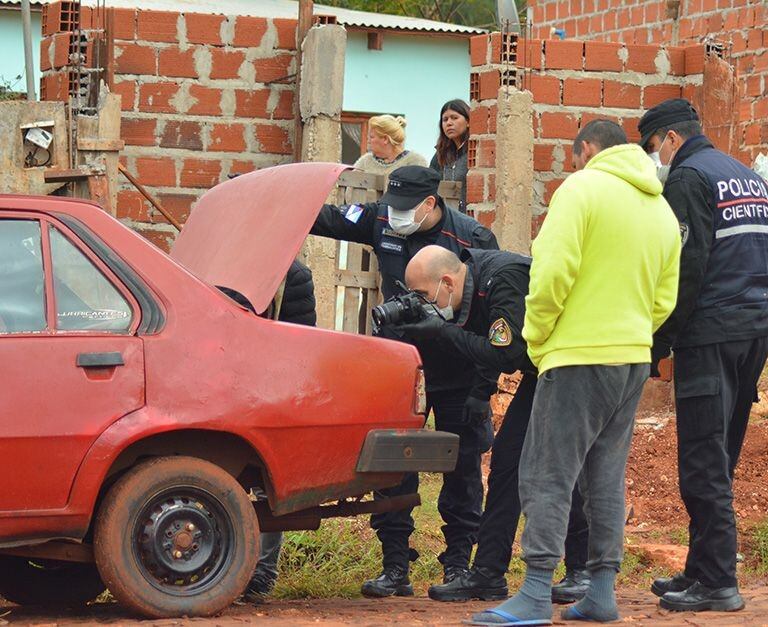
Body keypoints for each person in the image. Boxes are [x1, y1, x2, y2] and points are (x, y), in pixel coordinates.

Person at [471, 120, 682, 626]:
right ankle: (602, 590)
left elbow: (550, 276)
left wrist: (538, 340)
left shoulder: (580, 191)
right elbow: (665, 297)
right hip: (631, 357)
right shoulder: (659, 205)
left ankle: (536, 591)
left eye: (573, 156)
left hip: (577, 355)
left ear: (586, 149)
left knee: (547, 471)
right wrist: (632, 334)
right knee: (605, 476)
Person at [310, 165, 499, 598]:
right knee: (393, 463)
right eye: (391, 206)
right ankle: (395, 566)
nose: (394, 215)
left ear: (431, 203)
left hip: (457, 367)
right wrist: (280, 198)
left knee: (462, 466)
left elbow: (492, 319)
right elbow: (327, 218)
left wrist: (482, 388)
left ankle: (457, 565)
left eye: (405, 209)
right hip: (399, 366)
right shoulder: (380, 218)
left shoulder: (473, 240)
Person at [637, 99, 768, 612]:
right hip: (750, 334)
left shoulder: (688, 178)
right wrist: (765, 323)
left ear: (671, 139)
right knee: (719, 456)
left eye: (653, 147)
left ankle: (719, 583)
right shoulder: (744, 175)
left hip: (709, 336)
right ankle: (700, 570)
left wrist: (660, 345)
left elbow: (687, 269)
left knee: (703, 460)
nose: (655, 157)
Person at [390, 245, 591, 605]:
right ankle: (488, 574)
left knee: (560, 465)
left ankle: (583, 569)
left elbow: (507, 353)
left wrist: (442, 333)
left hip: (576, 362)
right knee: (507, 462)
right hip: (545, 367)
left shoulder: (503, 281)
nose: (420, 303)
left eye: (422, 295)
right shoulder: (473, 285)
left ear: (447, 282)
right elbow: (493, 342)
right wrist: (479, 392)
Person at [219, 259, 318, 600]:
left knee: (266, 484)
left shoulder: (295, 276)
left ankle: (261, 574)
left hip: (273, 389)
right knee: (220, 481)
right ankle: (222, 571)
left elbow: (300, 340)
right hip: (224, 385)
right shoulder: (221, 267)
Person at [429, 99, 470, 213]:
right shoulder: (440, 154)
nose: (449, 123)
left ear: (468, 121)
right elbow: (429, 184)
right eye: (445, 119)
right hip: (445, 218)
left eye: (454, 118)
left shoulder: (475, 153)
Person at [353, 114, 427, 177]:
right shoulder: (365, 162)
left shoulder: (415, 162)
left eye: (372, 137)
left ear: (385, 139)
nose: (368, 141)